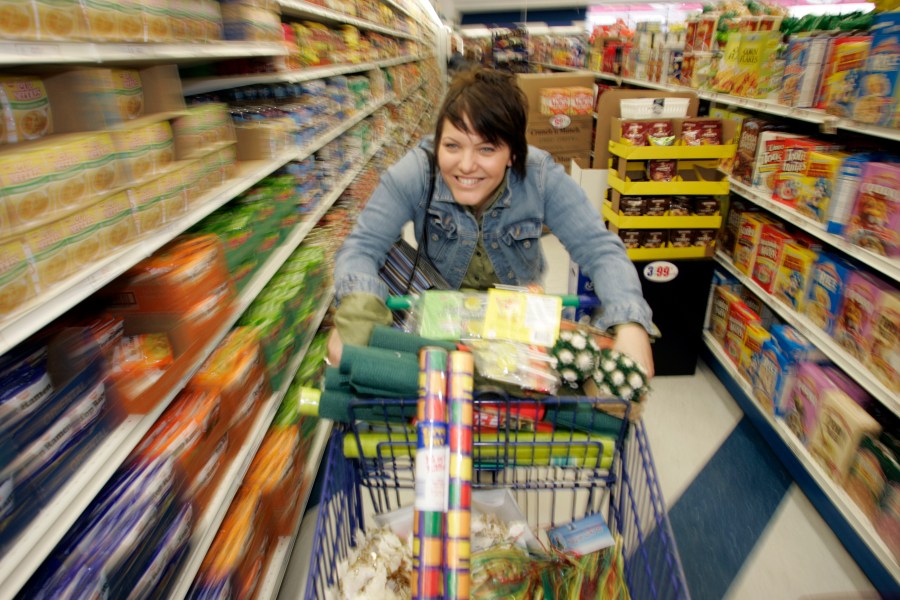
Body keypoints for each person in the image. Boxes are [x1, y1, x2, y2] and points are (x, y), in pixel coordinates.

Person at [329, 67, 655, 377]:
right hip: (441, 324)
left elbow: (599, 248)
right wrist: (357, 314)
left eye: (486, 148)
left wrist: (630, 323)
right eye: (452, 145)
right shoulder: (417, 170)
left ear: (513, 152)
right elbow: (362, 246)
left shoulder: (540, 176)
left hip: (517, 326)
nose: (466, 165)